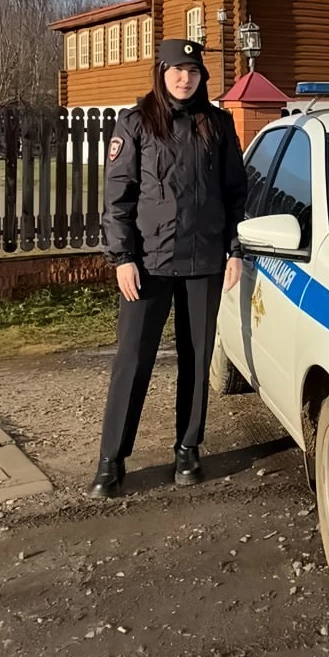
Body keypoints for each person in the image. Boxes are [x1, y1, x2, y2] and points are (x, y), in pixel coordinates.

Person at [89, 39, 248, 499]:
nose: (185, 79)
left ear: (202, 78)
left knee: (196, 359)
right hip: (147, 266)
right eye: (177, 70)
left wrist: (234, 248)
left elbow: (236, 193)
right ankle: (111, 459)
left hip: (203, 263)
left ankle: (188, 447)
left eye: (193, 72)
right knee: (132, 361)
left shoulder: (217, 125)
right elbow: (117, 200)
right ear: (161, 73)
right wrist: (122, 258)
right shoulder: (136, 123)